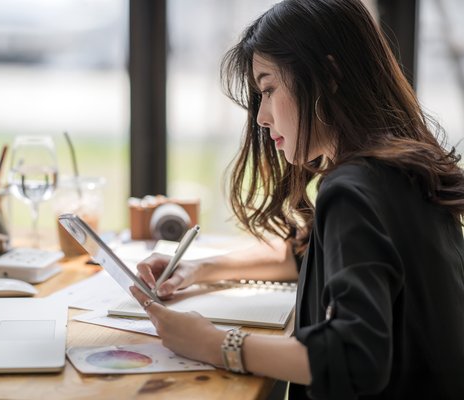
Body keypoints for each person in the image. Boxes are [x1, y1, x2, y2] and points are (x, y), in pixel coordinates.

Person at [129, 0, 464, 398]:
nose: (261, 117)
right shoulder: (401, 167)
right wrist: (197, 269)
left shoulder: (353, 189)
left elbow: (356, 358)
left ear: (329, 74)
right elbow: (310, 255)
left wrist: (214, 344)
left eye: (269, 88)